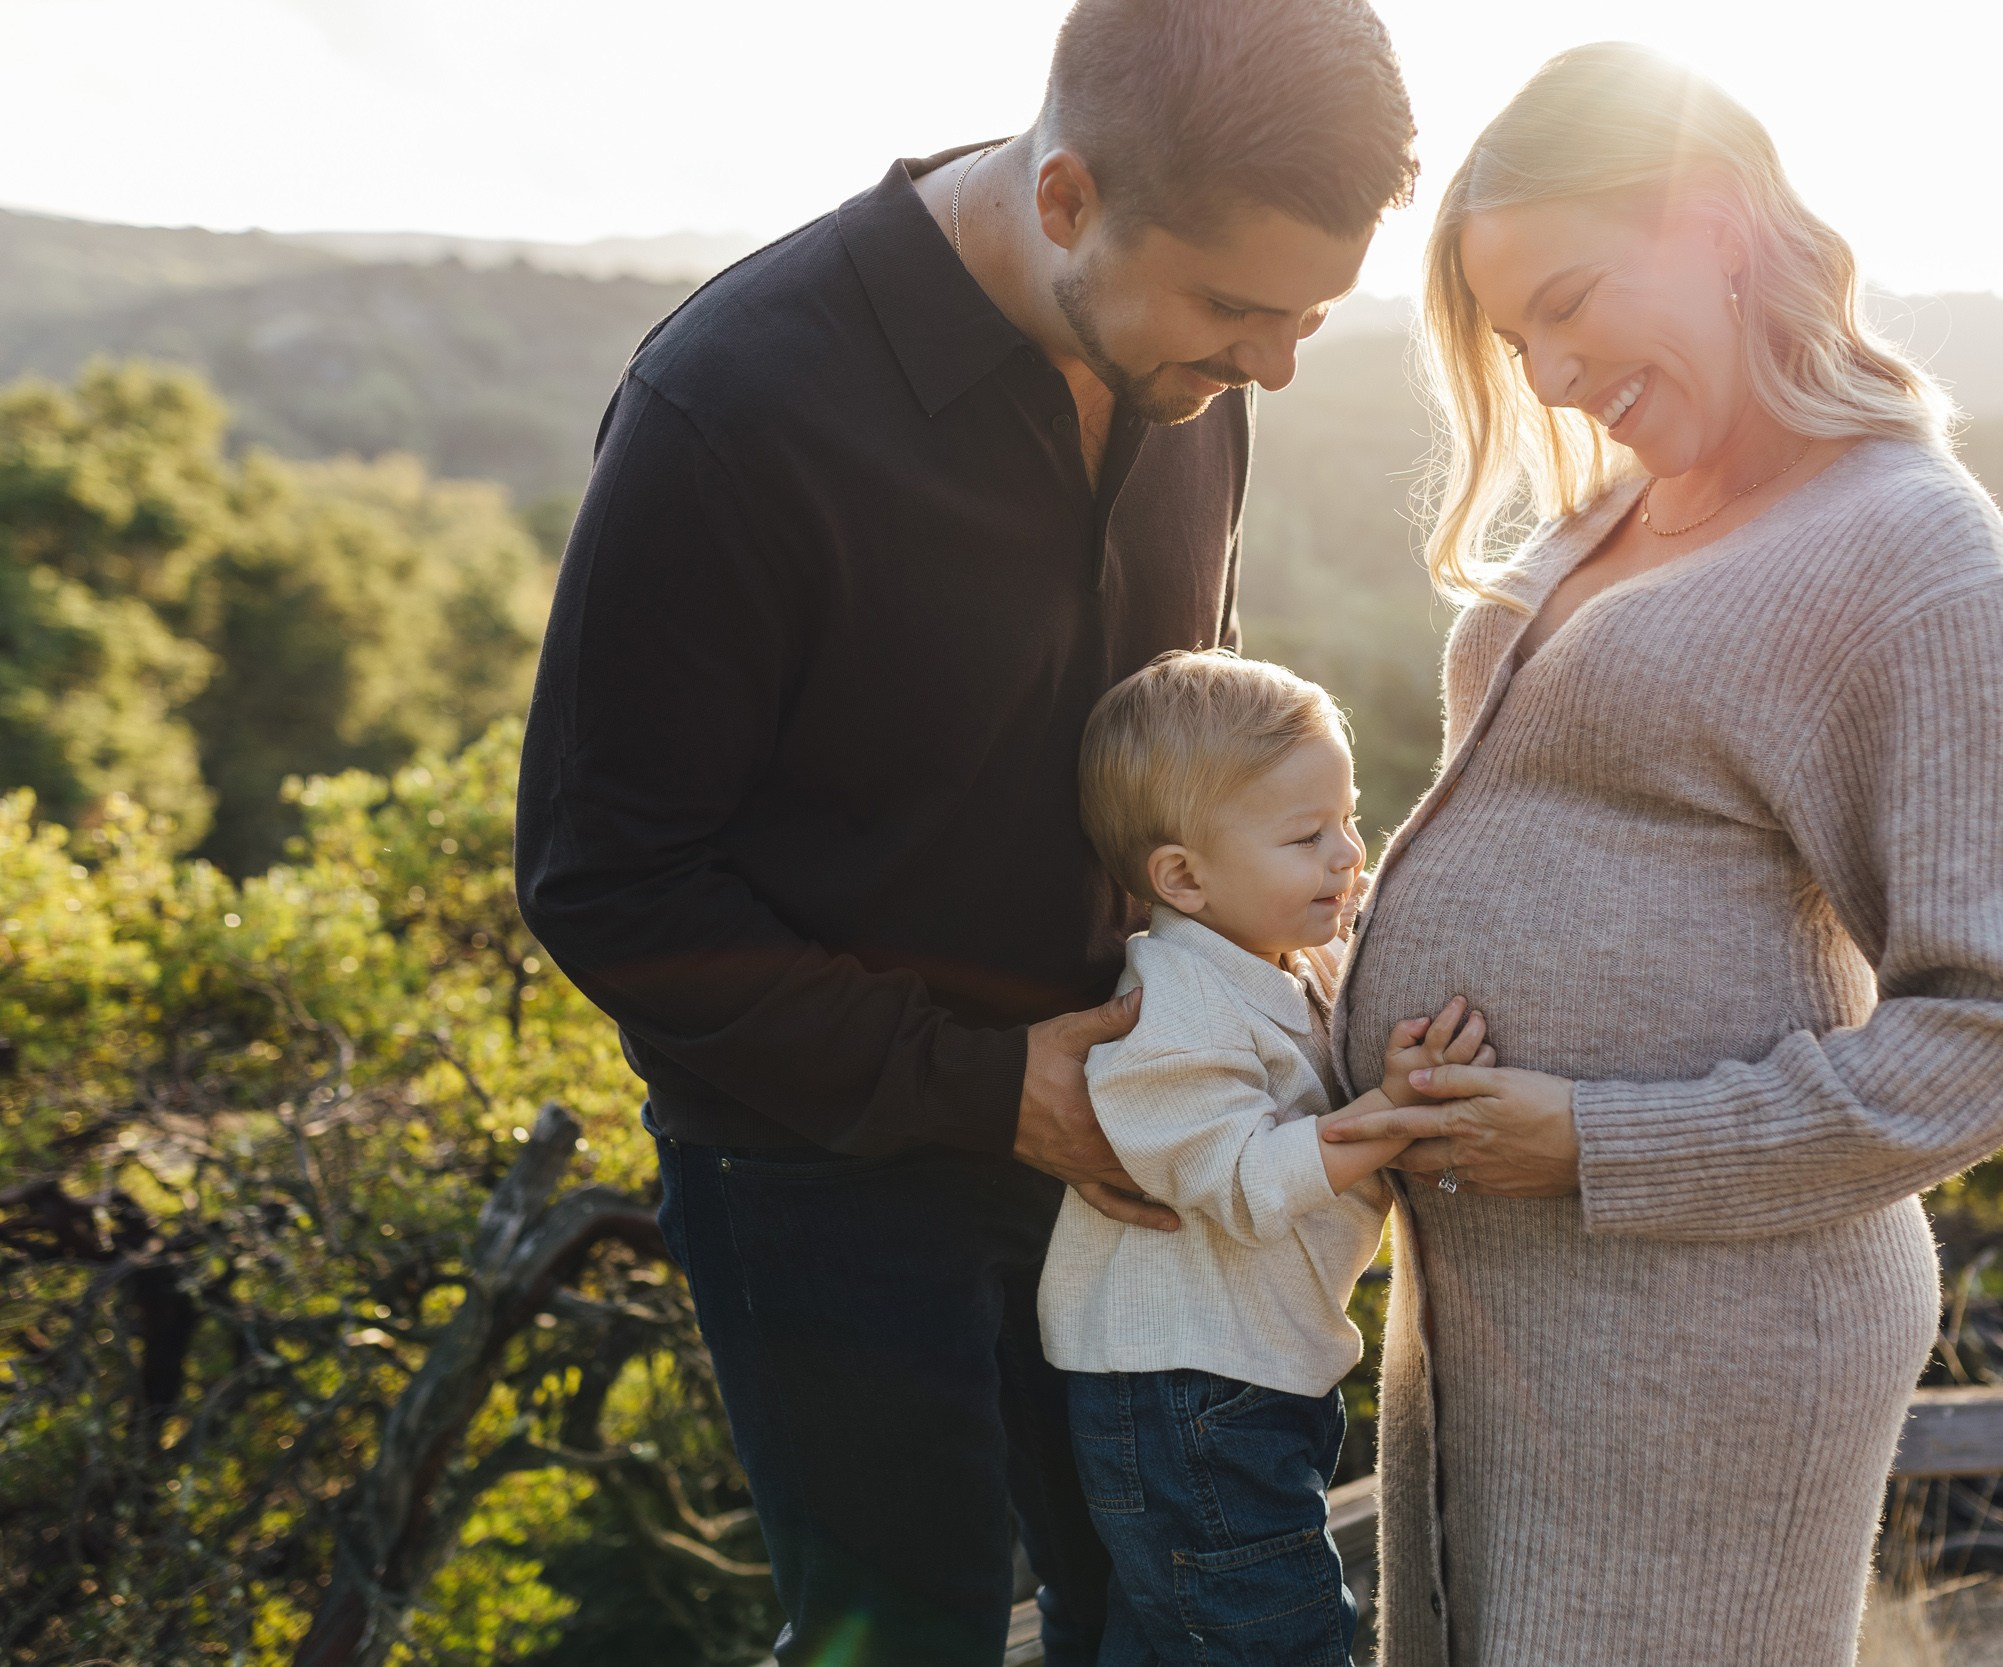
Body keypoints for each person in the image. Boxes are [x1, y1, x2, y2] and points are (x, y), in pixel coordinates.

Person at [511, 4, 1416, 1662]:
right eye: (1236, 308)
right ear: (1064, 195)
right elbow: (607, 881)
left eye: (1306, 316)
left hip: (1136, 1139)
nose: (1273, 364)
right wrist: (998, 1089)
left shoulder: (1193, 369)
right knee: (901, 1633)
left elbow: (1171, 756)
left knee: (1166, 1602)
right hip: (824, 1164)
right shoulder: (734, 406)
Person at [1318, 44, 2003, 1667]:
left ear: (1722, 224)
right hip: (1501, 1321)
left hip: (1704, 1344)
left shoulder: (1907, 547)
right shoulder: (1625, 514)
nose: (1547, 369)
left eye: (1574, 299)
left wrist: (1604, 1140)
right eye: (1516, 332)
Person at [1039, 651, 1489, 1667]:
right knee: (1275, 1638)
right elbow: (1243, 1178)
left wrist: (1385, 1075)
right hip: (1182, 1389)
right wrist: (1390, 1110)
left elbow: (1322, 1088)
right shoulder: (1167, 1011)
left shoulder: (1281, 960)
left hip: (1242, 1375)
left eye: (1349, 818)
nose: (1346, 854)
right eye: (1304, 836)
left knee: (1174, 1644)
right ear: (1182, 876)